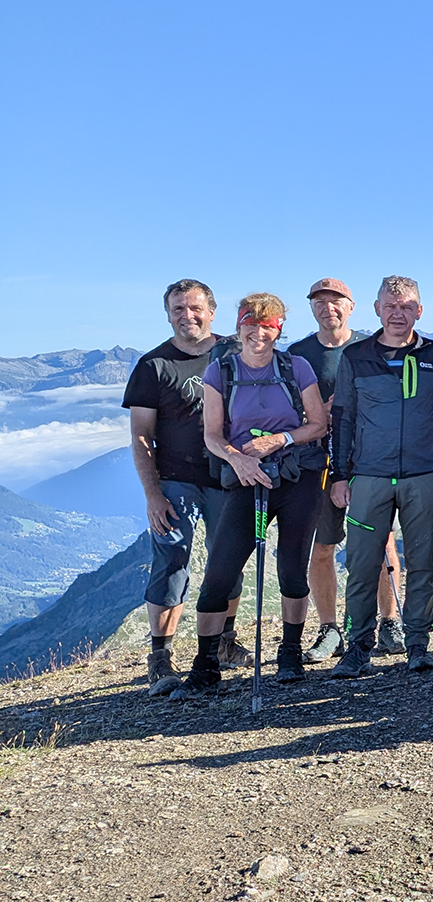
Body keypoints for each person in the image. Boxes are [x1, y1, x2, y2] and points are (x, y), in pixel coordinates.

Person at [169, 293, 329, 698]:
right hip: (244, 477)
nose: (258, 334)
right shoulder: (220, 373)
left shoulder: (296, 367)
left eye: (268, 327)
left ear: (277, 331)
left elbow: (318, 425)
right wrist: (238, 461)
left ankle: (289, 653)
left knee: (292, 568)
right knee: (221, 572)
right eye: (251, 325)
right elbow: (212, 435)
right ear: (239, 328)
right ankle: (205, 664)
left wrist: (281, 438)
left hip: (296, 477)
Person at [123, 279, 243, 696]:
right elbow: (141, 435)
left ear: (212, 311)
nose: (186, 316)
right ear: (168, 314)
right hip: (176, 480)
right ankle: (161, 655)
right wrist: (152, 494)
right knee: (173, 560)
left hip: (229, 475)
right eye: (177, 309)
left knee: (228, 561)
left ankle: (224, 643)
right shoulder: (154, 366)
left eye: (194, 308)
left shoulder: (234, 352)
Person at [329, 276, 433, 677]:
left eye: (407, 306)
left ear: (420, 310)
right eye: (391, 306)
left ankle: (417, 643)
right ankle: (358, 645)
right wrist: (340, 475)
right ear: (377, 308)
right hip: (369, 475)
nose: (398, 314)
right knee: (362, 564)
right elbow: (343, 417)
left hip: (423, 473)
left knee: (422, 562)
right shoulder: (356, 357)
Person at [287, 278, 404, 663]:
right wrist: (323, 409)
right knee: (322, 547)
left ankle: (389, 623)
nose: (328, 308)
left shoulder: (373, 346)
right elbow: (285, 412)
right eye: (319, 302)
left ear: (352, 306)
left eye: (336, 301)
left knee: (383, 540)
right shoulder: (298, 355)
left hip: (370, 459)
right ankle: (329, 629)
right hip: (317, 464)